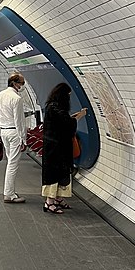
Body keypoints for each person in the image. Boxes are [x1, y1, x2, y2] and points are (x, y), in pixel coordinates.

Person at [41, 83, 86, 214]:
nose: (68, 98)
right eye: (68, 95)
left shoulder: (53, 106)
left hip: (55, 146)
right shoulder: (56, 108)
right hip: (55, 148)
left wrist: (73, 117)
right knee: (54, 173)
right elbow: (67, 124)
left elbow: (63, 121)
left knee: (60, 172)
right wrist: (80, 116)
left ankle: (58, 198)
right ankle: (49, 202)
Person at [0, 73, 27, 203]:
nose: (23, 86)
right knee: (13, 164)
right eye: (22, 83)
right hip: (14, 133)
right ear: (15, 83)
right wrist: (23, 139)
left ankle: (10, 191)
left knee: (10, 162)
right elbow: (19, 121)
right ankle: (9, 194)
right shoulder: (16, 98)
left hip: (4, 131)